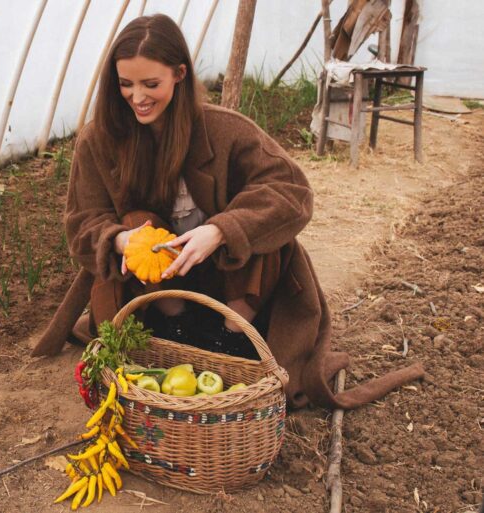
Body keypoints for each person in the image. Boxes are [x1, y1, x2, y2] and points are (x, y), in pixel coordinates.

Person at [34, 14, 423, 410]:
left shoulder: (225, 130)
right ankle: (179, 328)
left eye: (151, 84)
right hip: (154, 288)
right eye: (126, 85)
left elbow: (292, 192)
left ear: (180, 74)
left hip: (230, 279)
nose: (137, 97)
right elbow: (83, 222)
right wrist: (120, 239)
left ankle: (230, 337)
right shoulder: (99, 140)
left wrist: (221, 230)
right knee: (137, 223)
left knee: (262, 227)